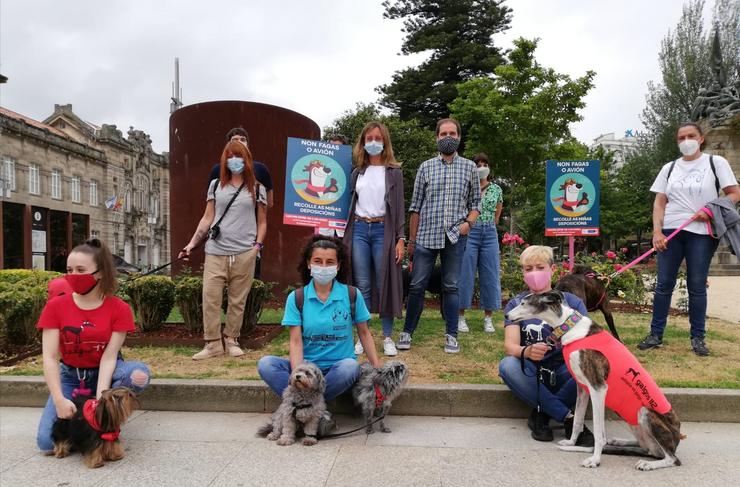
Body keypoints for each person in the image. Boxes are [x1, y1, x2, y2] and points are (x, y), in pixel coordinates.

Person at [36, 238, 150, 452]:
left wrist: (101, 400)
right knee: (46, 443)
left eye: (81, 270)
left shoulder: (119, 308)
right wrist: (60, 399)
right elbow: (49, 358)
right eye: (69, 269)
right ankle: (86, 425)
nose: (73, 276)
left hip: (104, 370)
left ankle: (110, 417)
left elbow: (109, 357)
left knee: (138, 375)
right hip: (70, 376)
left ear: (101, 273)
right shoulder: (55, 306)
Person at [639, 122, 740, 356]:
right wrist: (657, 232)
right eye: (681, 137)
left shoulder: (716, 163)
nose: (686, 141)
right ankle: (655, 334)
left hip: (702, 233)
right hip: (671, 231)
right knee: (663, 285)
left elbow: (734, 193)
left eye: (691, 136)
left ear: (701, 138)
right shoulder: (670, 167)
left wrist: (711, 210)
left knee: (697, 286)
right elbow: (659, 202)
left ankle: (698, 338)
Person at [257, 236, 381, 402]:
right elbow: (295, 342)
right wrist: (299, 375)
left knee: (350, 368)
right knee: (266, 364)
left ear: (338, 265)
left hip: (340, 368)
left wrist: (378, 370)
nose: (323, 267)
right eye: (318, 261)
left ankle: (304, 404)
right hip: (308, 368)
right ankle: (309, 405)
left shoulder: (352, 295)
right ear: (309, 264)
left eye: (330, 262)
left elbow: (364, 334)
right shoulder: (296, 298)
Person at [397, 118, 481, 354]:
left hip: (456, 236)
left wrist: (468, 223)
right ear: (436, 137)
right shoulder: (425, 167)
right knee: (416, 286)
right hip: (425, 236)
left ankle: (452, 335)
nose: (447, 137)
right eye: (443, 133)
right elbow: (415, 207)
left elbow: (476, 203)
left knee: (451, 286)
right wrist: (411, 240)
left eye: (452, 133)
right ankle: (407, 332)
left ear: (459, 137)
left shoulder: (470, 168)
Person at [180, 139, 267, 360]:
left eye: (238, 156)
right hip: (216, 250)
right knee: (210, 297)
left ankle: (231, 340)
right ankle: (212, 344)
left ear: (246, 159)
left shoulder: (257, 188)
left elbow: (263, 221)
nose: (234, 160)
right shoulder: (215, 185)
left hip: (244, 251)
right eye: (229, 156)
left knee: (238, 299)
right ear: (224, 159)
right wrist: (191, 244)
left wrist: (257, 246)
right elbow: (207, 217)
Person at [498, 245, 593, 445]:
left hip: (566, 370)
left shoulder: (572, 303)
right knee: (507, 365)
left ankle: (541, 415)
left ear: (551, 269)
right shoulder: (517, 305)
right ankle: (568, 418)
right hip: (533, 372)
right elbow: (510, 347)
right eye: (528, 268)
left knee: (587, 366)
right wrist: (528, 351)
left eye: (539, 267)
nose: (534, 273)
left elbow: (587, 343)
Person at [343, 122, 405, 357]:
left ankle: (387, 336)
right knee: (363, 286)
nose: (373, 142)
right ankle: (363, 336)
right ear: (363, 142)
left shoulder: (394, 172)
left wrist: (401, 239)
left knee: (384, 282)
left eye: (377, 138)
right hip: (359, 228)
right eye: (369, 138)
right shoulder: (357, 172)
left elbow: (399, 207)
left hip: (383, 231)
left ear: (384, 141)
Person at [458, 153, 503, 333]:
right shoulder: (467, 186)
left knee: (490, 274)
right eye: (478, 164)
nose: (481, 167)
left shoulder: (496, 189)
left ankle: (488, 318)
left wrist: (491, 223)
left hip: (489, 232)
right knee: (465, 273)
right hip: (471, 231)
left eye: (484, 164)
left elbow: (498, 209)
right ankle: (460, 316)